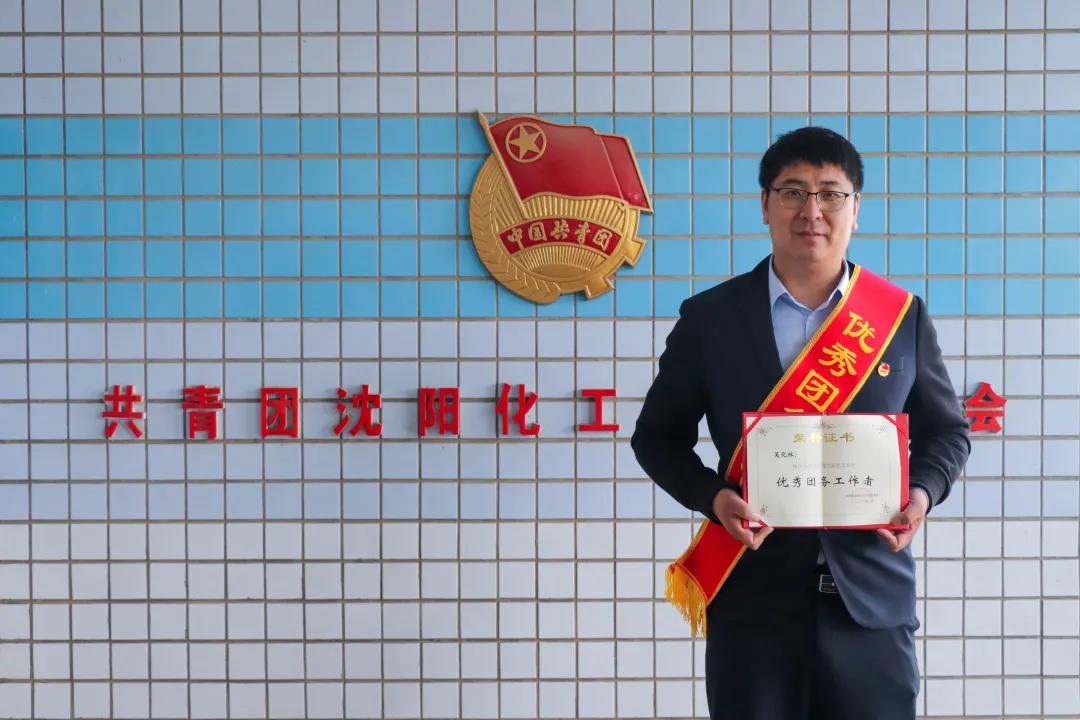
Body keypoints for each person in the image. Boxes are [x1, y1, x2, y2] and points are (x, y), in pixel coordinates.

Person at [631, 126, 970, 720]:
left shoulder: (898, 318)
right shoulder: (711, 318)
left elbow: (947, 432)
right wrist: (715, 498)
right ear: (765, 205)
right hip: (753, 603)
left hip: (870, 603)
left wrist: (920, 495)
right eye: (792, 192)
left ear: (855, 209)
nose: (812, 211)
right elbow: (657, 438)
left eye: (830, 194)